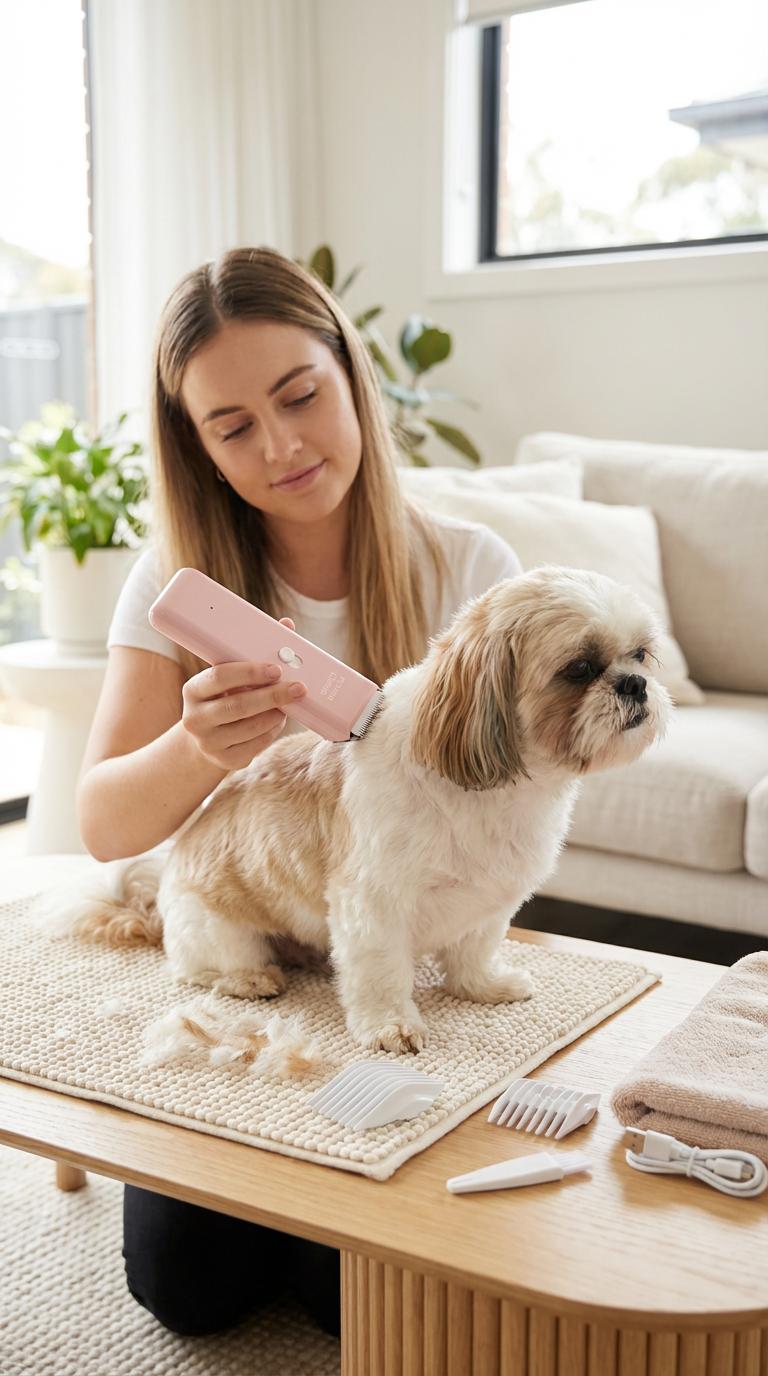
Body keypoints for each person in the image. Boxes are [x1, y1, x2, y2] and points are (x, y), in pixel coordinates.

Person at [77, 245, 522, 1339]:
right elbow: (103, 824)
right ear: (198, 448)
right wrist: (198, 746)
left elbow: (515, 800)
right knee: (185, 1283)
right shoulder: (175, 581)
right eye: (231, 426)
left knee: (362, 1291)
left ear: (350, 377)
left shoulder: (470, 569)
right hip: (261, 944)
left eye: (299, 396)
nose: (278, 445)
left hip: (401, 953)